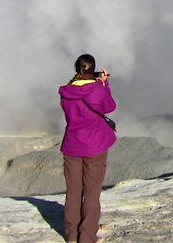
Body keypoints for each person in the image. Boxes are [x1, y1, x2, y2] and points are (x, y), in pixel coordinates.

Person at [59, 54, 117, 243]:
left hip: (72, 145)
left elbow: (71, 113)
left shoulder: (65, 92)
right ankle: (87, 237)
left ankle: (72, 235)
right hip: (95, 145)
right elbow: (109, 107)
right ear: (94, 70)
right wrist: (104, 84)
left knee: (73, 191)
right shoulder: (97, 90)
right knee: (92, 191)